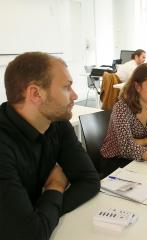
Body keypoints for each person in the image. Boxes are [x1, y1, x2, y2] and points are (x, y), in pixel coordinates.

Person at [0, 52, 100, 239]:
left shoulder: (56, 122)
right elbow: (29, 235)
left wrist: (41, 217)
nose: (75, 95)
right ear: (35, 93)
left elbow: (89, 180)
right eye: (66, 87)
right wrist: (55, 186)